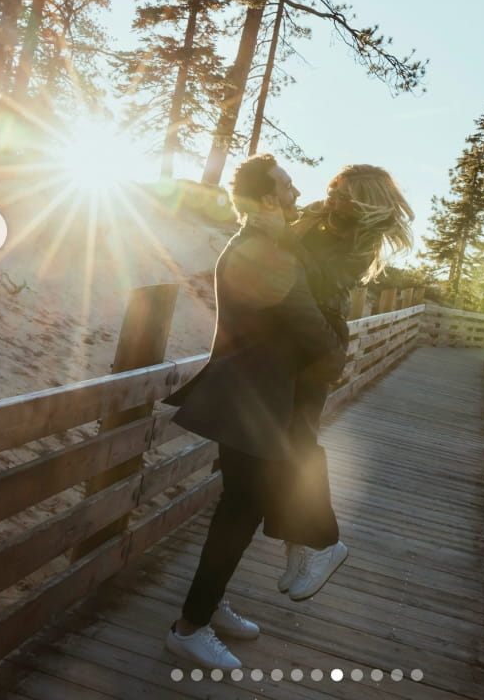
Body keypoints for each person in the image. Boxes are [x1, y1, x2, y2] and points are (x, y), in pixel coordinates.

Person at [163, 154, 348, 670]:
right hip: (249, 403)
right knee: (245, 508)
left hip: (252, 401)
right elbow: (309, 324)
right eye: (286, 187)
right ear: (267, 199)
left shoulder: (262, 244)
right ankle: (189, 628)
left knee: (239, 510)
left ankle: (207, 606)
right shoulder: (264, 251)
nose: (294, 192)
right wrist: (338, 351)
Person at [274, 164, 415, 598]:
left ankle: (324, 542)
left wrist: (286, 237)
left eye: (342, 194)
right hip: (291, 332)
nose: (331, 196)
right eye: (333, 188)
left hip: (317, 339)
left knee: (299, 441)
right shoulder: (321, 215)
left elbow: (317, 278)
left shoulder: (361, 241)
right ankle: (299, 540)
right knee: (282, 442)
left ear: (364, 202)